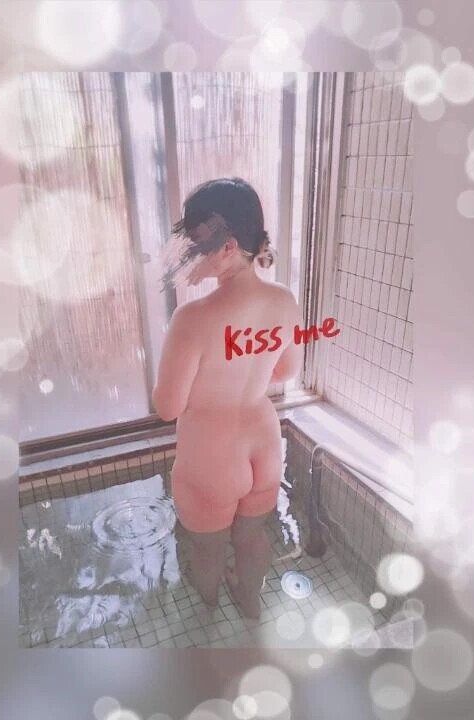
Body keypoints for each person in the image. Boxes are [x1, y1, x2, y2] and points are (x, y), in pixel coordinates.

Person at [152, 177, 303, 619]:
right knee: (253, 537)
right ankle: (250, 604)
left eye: (196, 245)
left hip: (211, 456)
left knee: (208, 550)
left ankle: (208, 617)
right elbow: (286, 371)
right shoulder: (284, 300)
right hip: (264, 444)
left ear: (229, 246)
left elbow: (167, 408)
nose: (187, 256)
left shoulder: (192, 319)